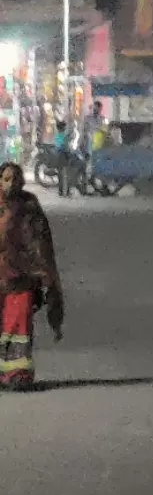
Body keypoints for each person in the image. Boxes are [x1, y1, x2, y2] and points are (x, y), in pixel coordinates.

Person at [0, 161, 63, 389]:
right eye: (7, 179)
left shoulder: (29, 205)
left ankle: (17, 373)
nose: (12, 184)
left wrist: (46, 273)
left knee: (19, 325)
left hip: (22, 277)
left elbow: (41, 241)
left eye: (16, 179)